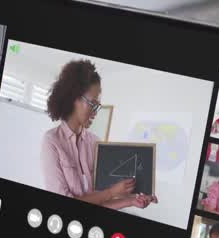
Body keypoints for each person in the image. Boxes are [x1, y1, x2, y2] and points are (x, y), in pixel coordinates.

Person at [40, 59, 157, 210]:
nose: (95, 112)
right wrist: (111, 192)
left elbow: (100, 201)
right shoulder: (52, 141)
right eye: (92, 104)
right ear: (74, 98)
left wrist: (132, 201)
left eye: (98, 106)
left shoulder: (95, 143)